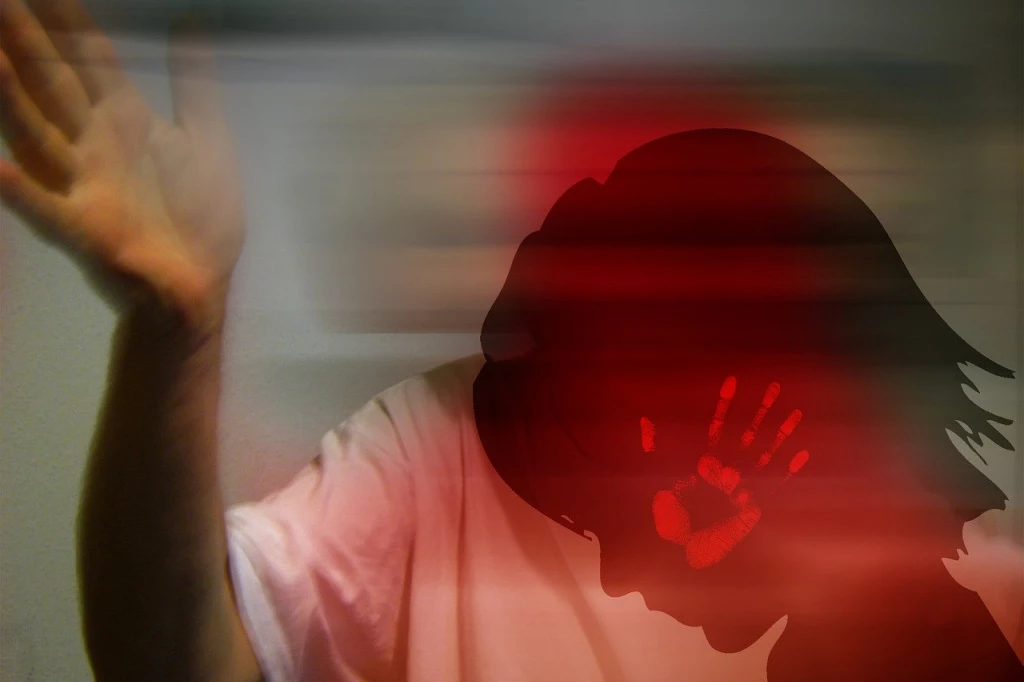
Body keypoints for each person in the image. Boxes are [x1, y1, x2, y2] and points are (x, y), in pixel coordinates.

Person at [1, 2, 1021, 682]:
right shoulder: (440, 450)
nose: (614, 577)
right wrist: (178, 337)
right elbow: (174, 662)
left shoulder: (964, 602)